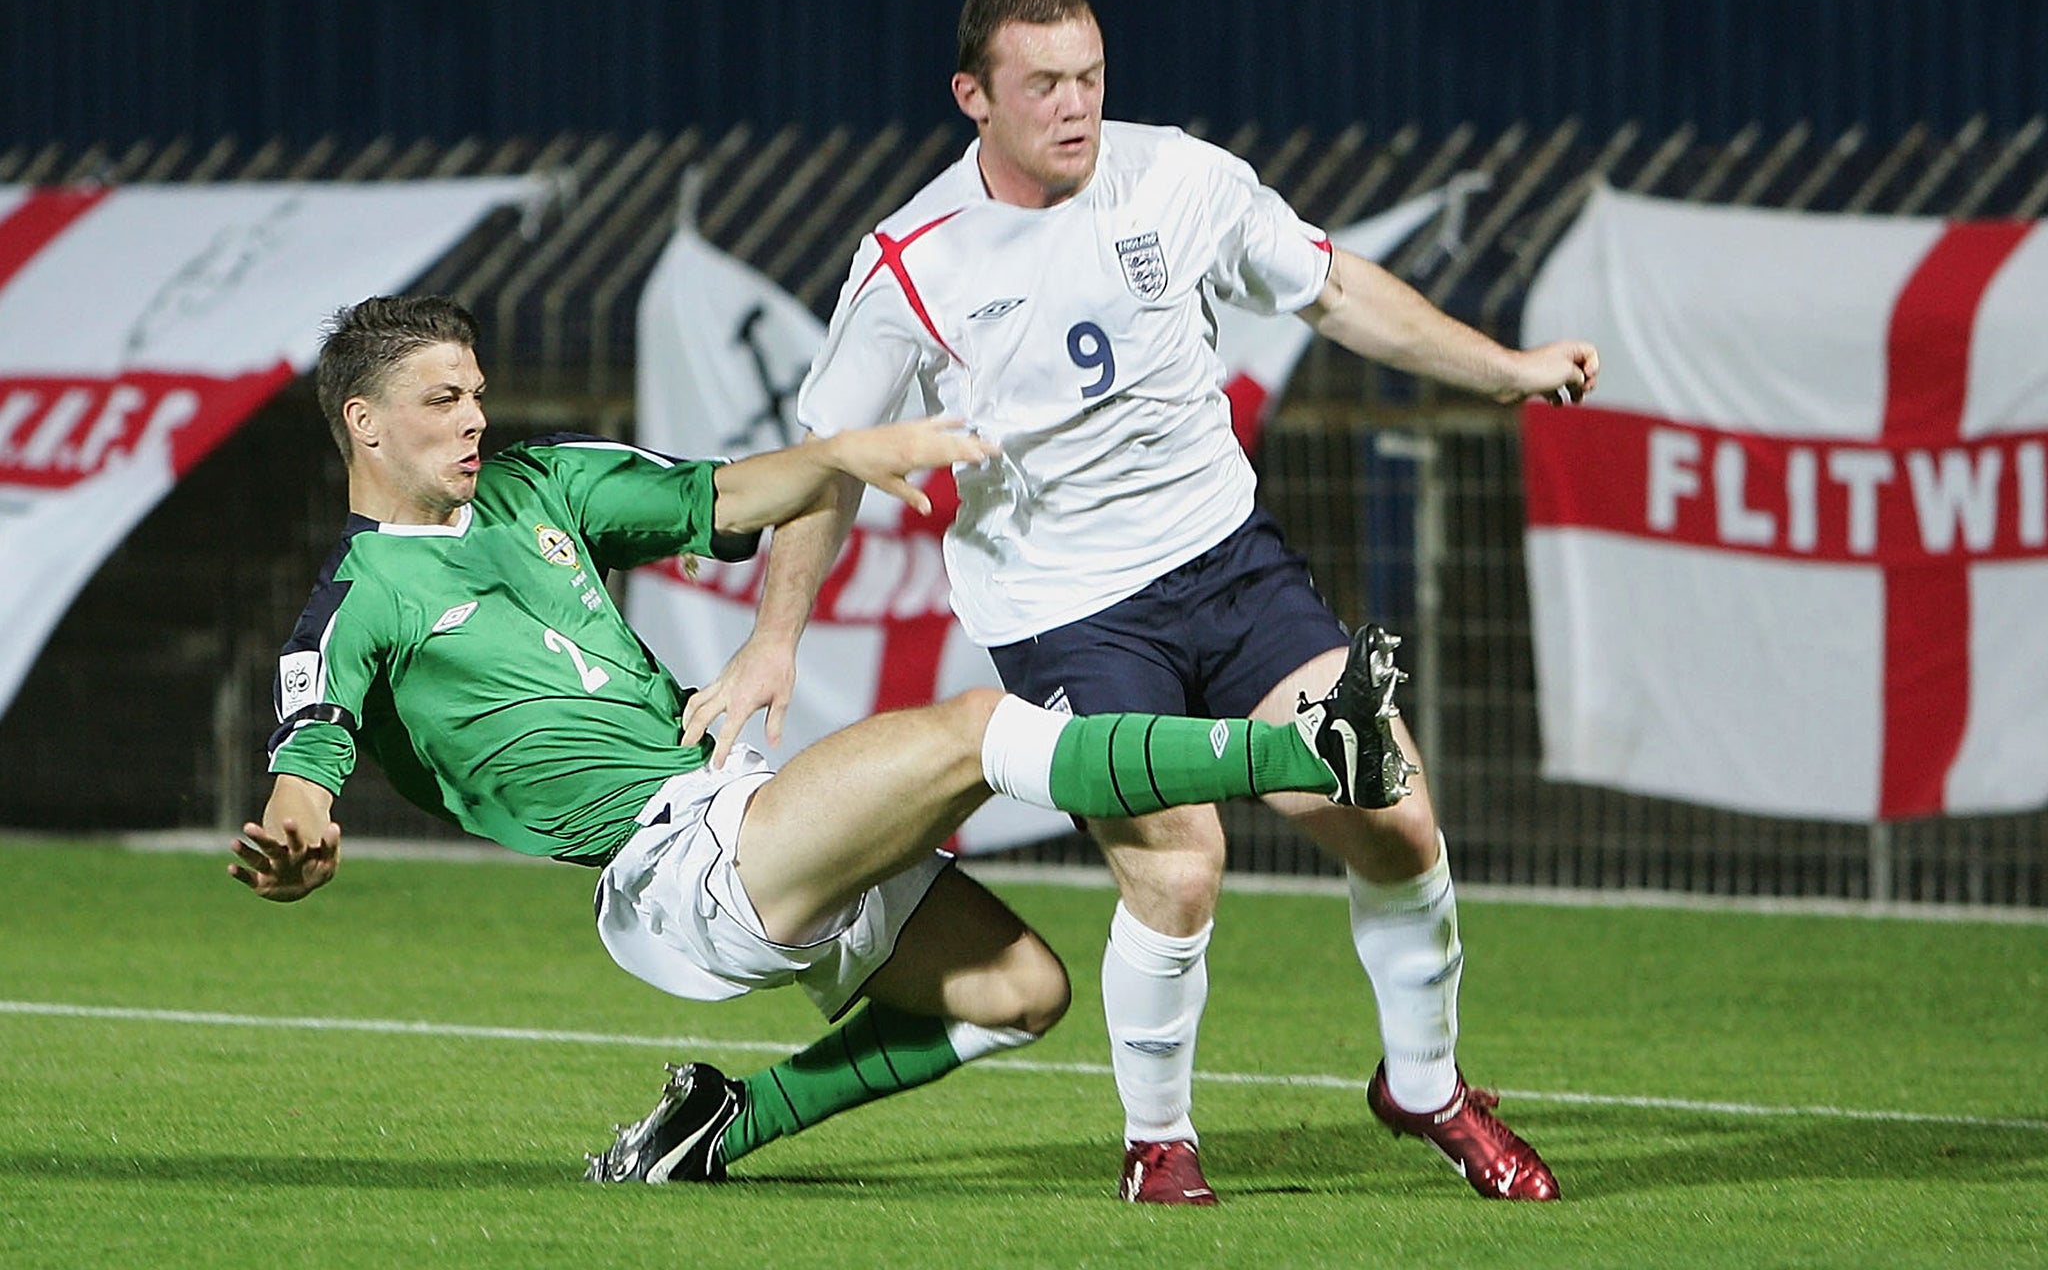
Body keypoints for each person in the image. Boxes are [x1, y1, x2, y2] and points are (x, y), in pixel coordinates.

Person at [683, 0, 1600, 1204]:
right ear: (973, 96)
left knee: (1394, 822)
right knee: (1178, 867)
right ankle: (1156, 1142)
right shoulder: (912, 262)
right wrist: (773, 638)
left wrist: (1500, 370)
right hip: (1063, 613)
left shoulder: (1179, 177)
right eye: (1042, 84)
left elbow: (1330, 287)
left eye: (1090, 78)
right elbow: (831, 464)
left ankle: (1425, 1088)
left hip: (1227, 566)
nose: (1075, 107)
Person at [229, 292, 1410, 1186]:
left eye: (478, 391)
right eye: (443, 400)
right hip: (675, 867)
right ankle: (1310, 752)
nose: (476, 417)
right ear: (363, 424)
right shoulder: (356, 601)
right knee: (973, 732)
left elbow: (728, 497)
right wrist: (296, 837)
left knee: (1019, 992)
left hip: (737, 802)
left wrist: (843, 454)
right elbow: (304, 760)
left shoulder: (537, 487)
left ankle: (716, 1129)